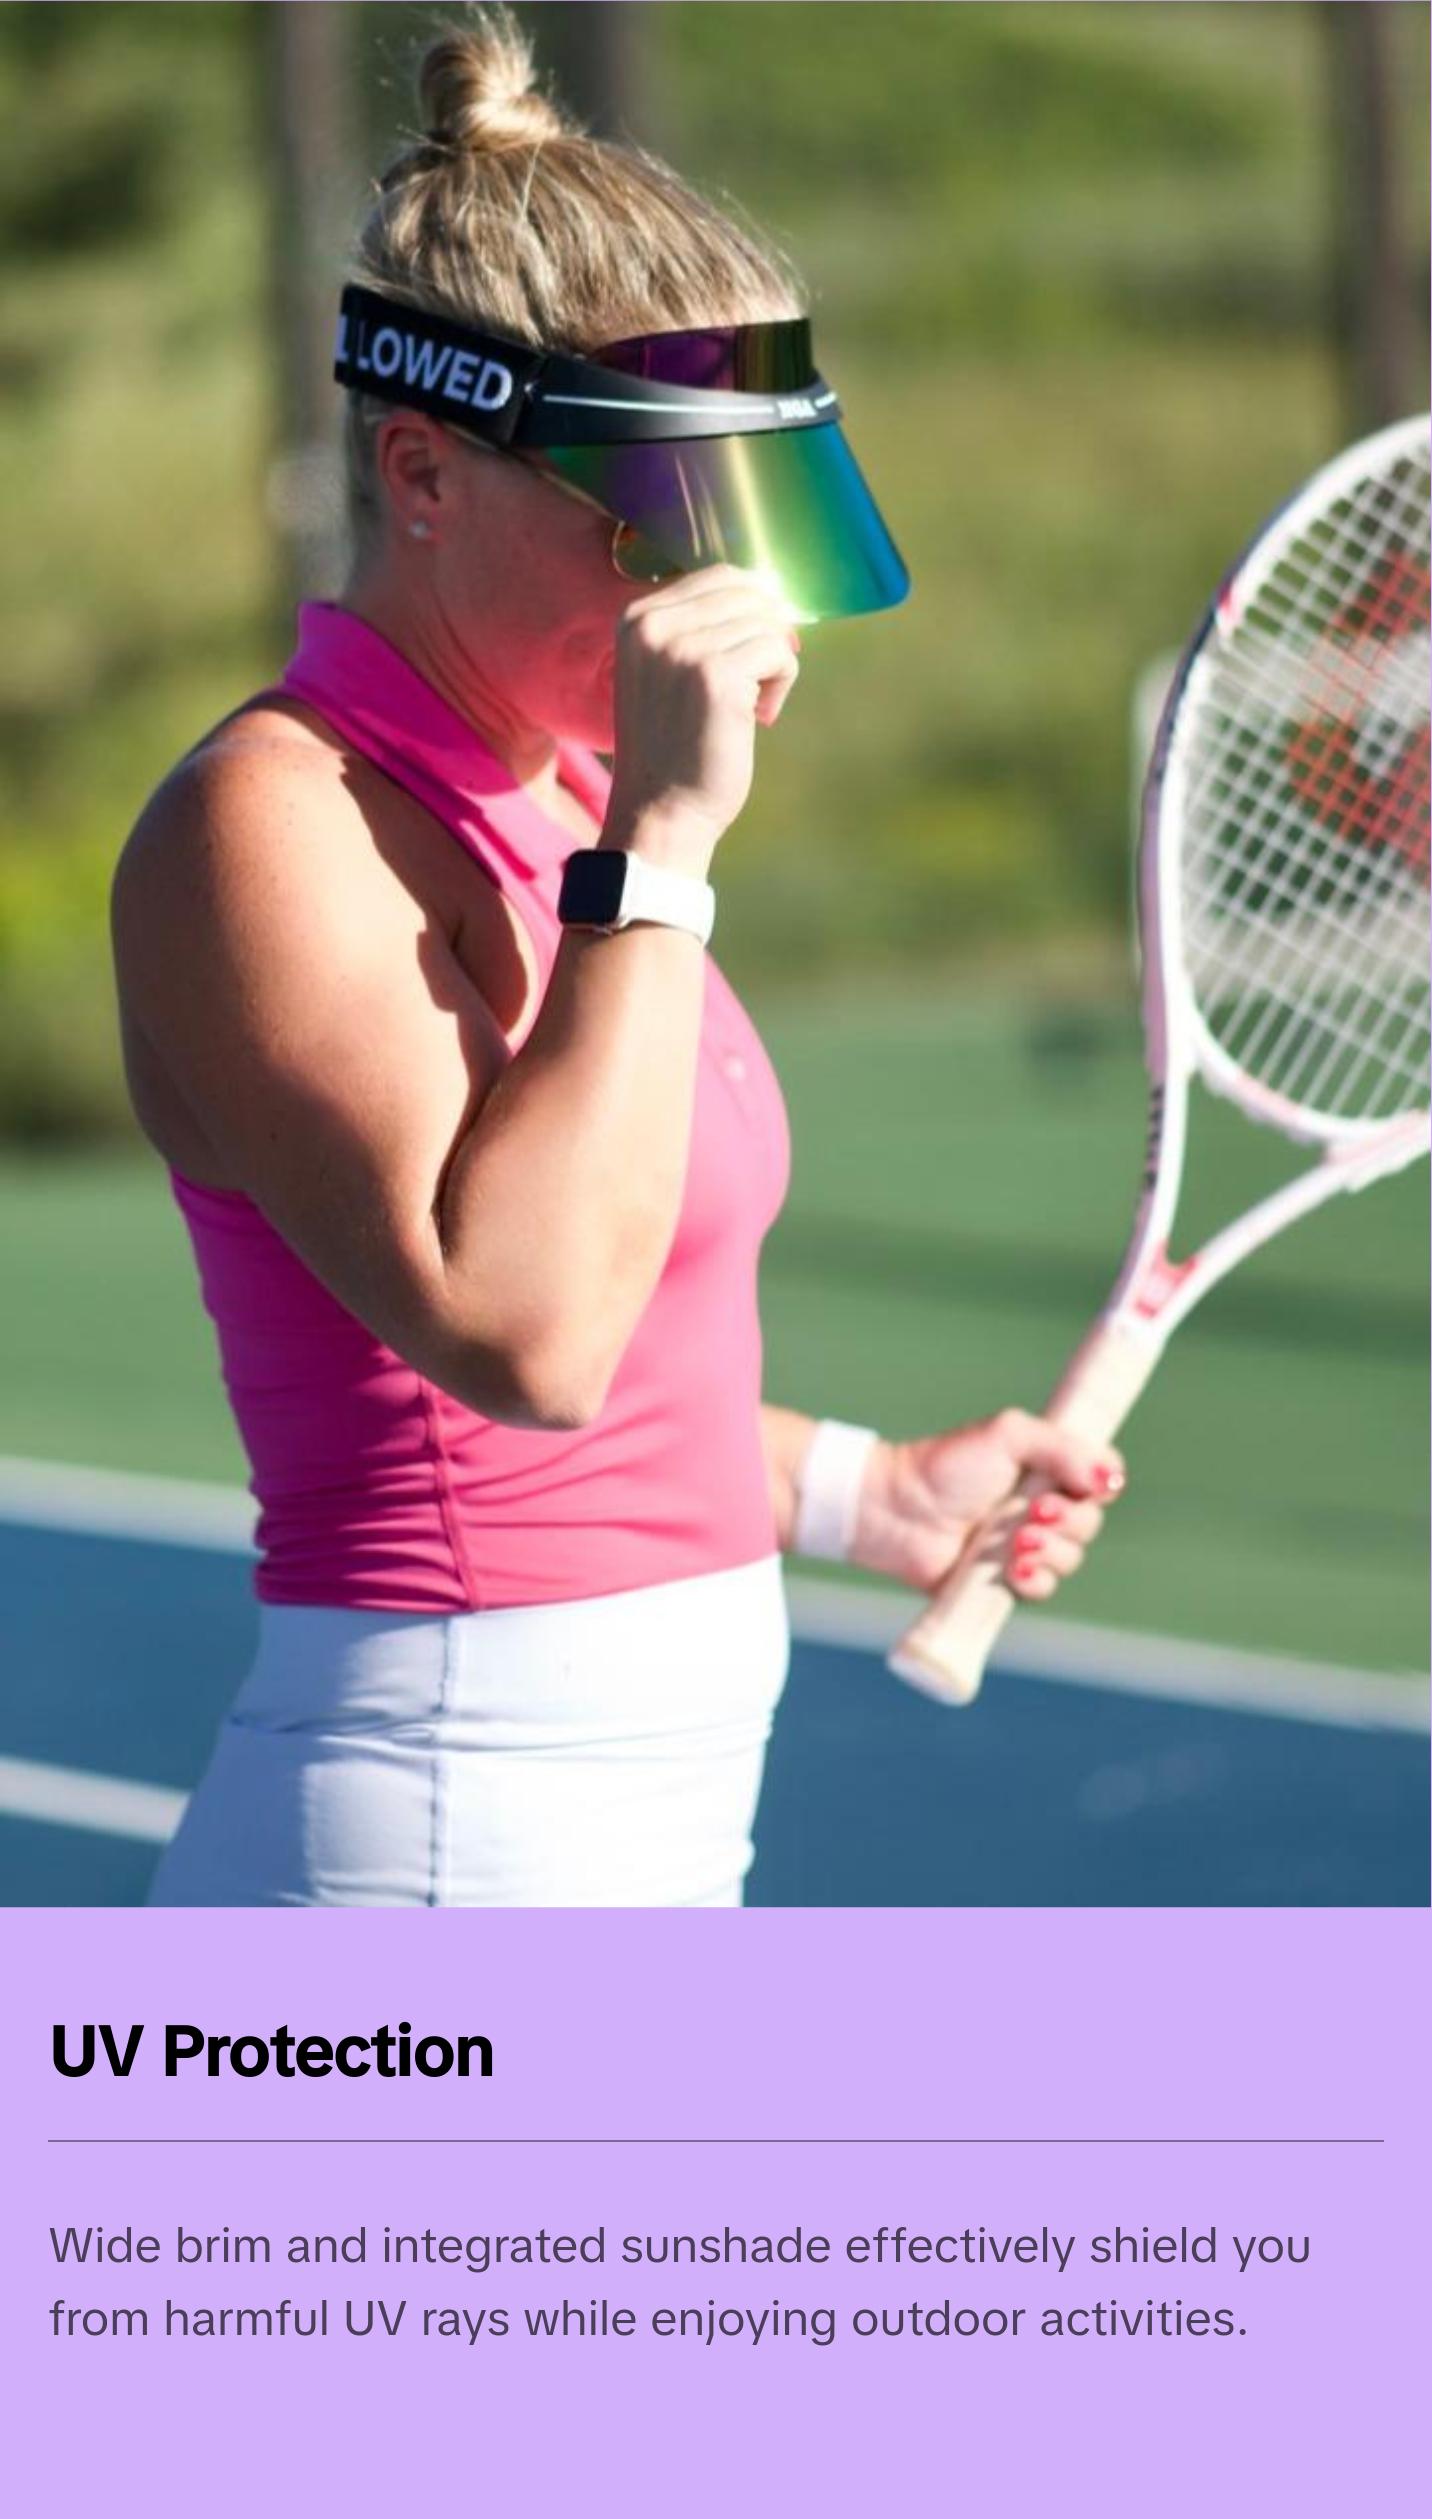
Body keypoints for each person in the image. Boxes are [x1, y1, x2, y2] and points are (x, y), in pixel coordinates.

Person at [112, 5, 1122, 1909]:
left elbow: (637, 1365)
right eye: (658, 526)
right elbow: (525, 1340)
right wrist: (659, 849)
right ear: (422, 478)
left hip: (630, 1830)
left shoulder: (563, 795)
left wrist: (862, 1492)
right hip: (434, 1841)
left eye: (754, 525)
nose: (722, 604)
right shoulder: (274, 825)